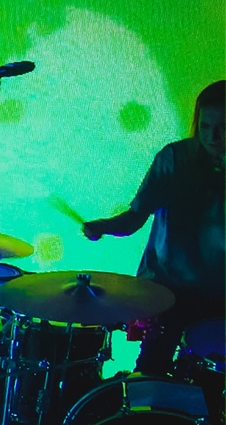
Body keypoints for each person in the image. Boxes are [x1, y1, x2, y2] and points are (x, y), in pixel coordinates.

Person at [83, 80, 224, 375]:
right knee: (150, 372)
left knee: (206, 385)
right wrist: (105, 226)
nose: (213, 136)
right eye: (206, 125)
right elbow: (136, 217)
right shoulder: (173, 160)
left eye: (223, 127)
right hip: (166, 290)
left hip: (218, 295)